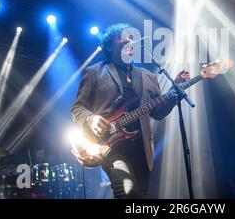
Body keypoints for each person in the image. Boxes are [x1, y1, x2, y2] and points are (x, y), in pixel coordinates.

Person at [71, 23, 190, 198]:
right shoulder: (94, 72)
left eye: (132, 37)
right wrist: (91, 119)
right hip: (108, 144)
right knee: (127, 191)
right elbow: (78, 108)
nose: (129, 40)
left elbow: (157, 112)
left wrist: (174, 92)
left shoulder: (148, 77)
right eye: (122, 37)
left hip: (141, 147)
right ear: (110, 46)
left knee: (141, 196)